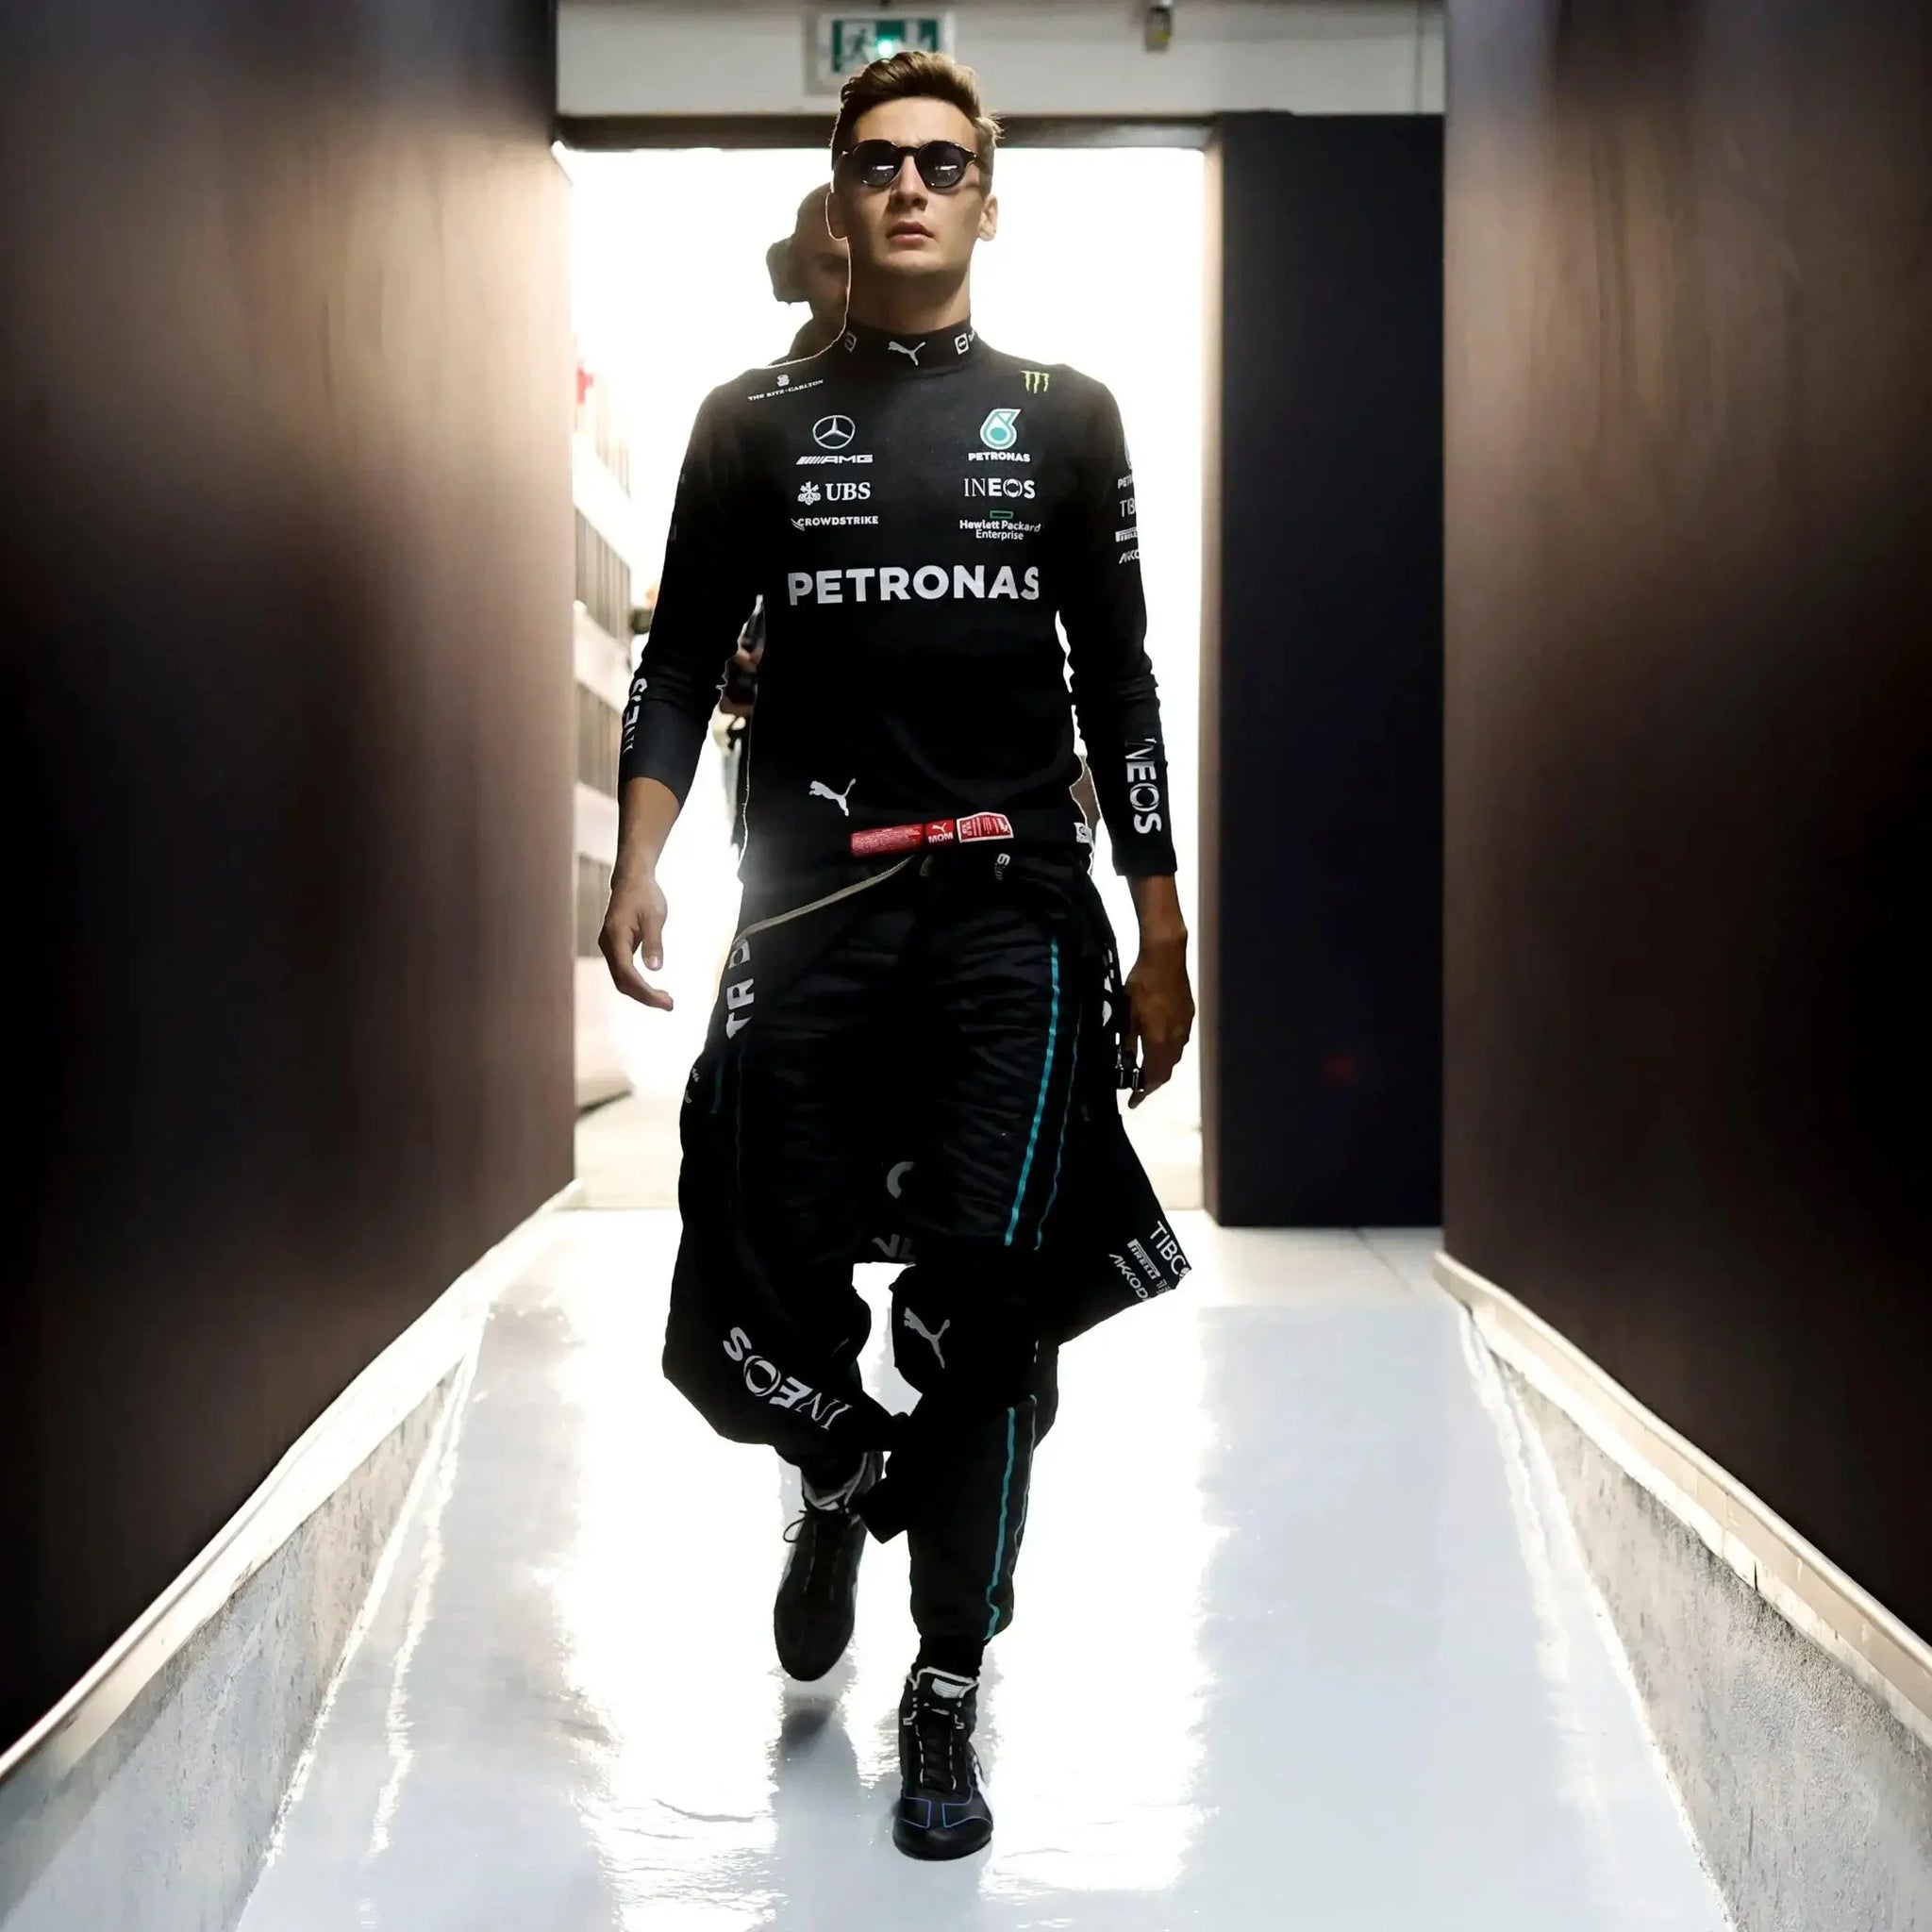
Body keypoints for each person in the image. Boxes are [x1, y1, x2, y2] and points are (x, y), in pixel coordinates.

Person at [600, 51, 1193, 1861]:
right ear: (841, 204)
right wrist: (637, 861)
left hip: (1015, 919)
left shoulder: (1067, 417)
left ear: (989, 203)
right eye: (880, 164)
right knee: (746, 1307)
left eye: (944, 164)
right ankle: (840, 1469)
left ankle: (946, 1680)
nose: (912, 188)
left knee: (988, 1308)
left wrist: (1163, 920)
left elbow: (1121, 683)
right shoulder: (750, 424)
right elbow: (678, 663)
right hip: (804, 920)